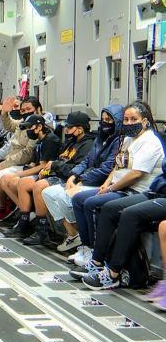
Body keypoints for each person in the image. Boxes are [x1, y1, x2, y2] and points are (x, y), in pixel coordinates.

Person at [70, 101, 164, 283]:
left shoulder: (150, 141)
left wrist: (111, 189)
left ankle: (100, 260)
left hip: (135, 190)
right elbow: (117, 166)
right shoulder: (127, 139)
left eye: (133, 119)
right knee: (80, 199)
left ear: (144, 121)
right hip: (117, 186)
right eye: (126, 119)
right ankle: (91, 250)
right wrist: (105, 185)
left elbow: (136, 174)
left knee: (96, 204)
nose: (128, 123)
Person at [41, 105, 123, 257]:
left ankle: (86, 244)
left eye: (109, 120)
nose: (105, 123)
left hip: (100, 182)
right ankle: (74, 234)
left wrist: (81, 181)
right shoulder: (100, 138)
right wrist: (73, 176)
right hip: (85, 178)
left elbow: (106, 169)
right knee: (48, 193)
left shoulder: (118, 142)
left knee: (67, 196)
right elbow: (86, 161)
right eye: (103, 119)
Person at [80, 158, 166, 290]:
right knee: (109, 209)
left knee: (130, 215)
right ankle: (97, 262)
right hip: (157, 191)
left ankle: (113, 274)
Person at [13, 111, 94, 246]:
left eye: (70, 127)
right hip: (57, 173)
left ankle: (42, 231)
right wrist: (50, 168)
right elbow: (60, 160)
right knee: (23, 182)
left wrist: (54, 166)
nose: (66, 130)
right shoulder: (71, 142)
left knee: (39, 187)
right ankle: (24, 222)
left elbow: (76, 169)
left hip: (69, 179)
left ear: (80, 129)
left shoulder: (88, 145)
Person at [0, 114, 62, 238]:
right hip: (38, 171)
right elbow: (35, 163)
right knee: (5, 179)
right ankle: (27, 214)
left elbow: (43, 166)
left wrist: (20, 174)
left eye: (30, 127)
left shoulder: (50, 140)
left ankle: (25, 221)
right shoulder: (40, 141)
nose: (28, 131)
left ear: (39, 127)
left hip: (48, 174)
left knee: (20, 182)